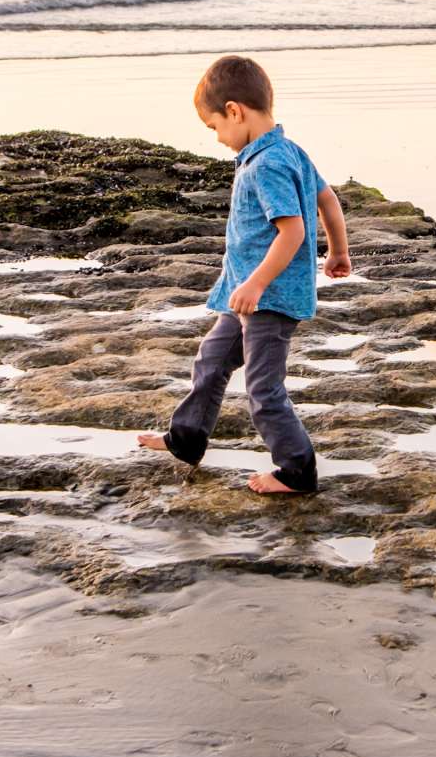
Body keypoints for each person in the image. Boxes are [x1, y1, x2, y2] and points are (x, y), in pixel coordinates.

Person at [139, 55, 350, 493]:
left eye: (215, 127)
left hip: (267, 299)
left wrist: (256, 282)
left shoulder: (268, 163)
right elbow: (327, 200)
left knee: (263, 391)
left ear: (234, 111)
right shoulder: (288, 151)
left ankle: (297, 470)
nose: (217, 138)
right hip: (245, 297)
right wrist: (337, 251)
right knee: (211, 362)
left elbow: (291, 231)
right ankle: (187, 437)